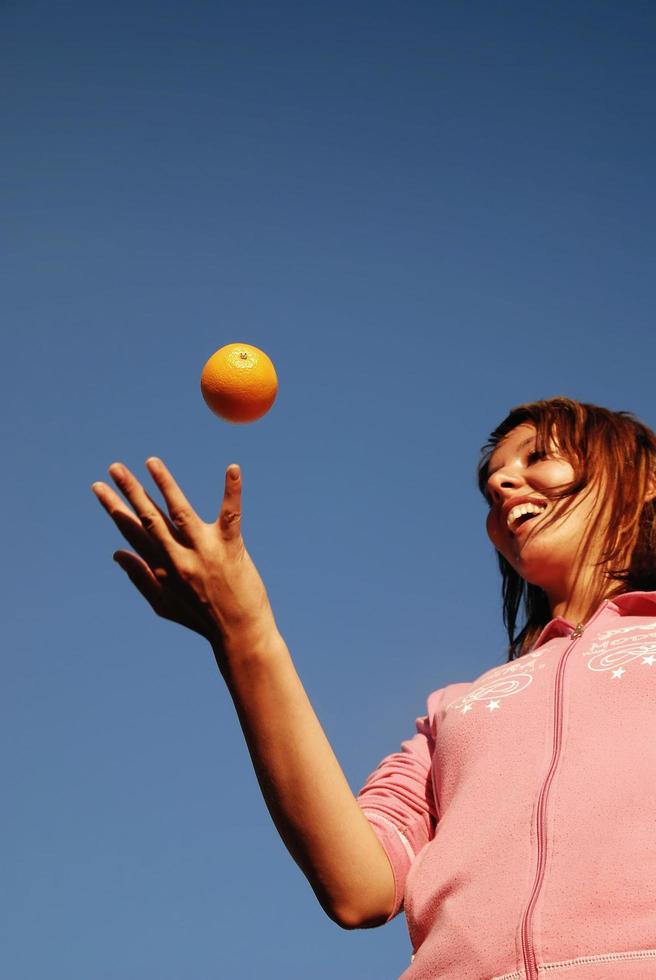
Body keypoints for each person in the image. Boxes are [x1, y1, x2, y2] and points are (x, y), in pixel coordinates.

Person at [92, 396, 656, 979]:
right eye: (492, 482)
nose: (504, 482)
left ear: (643, 484)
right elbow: (359, 887)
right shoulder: (458, 709)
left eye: (538, 456)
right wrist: (245, 635)